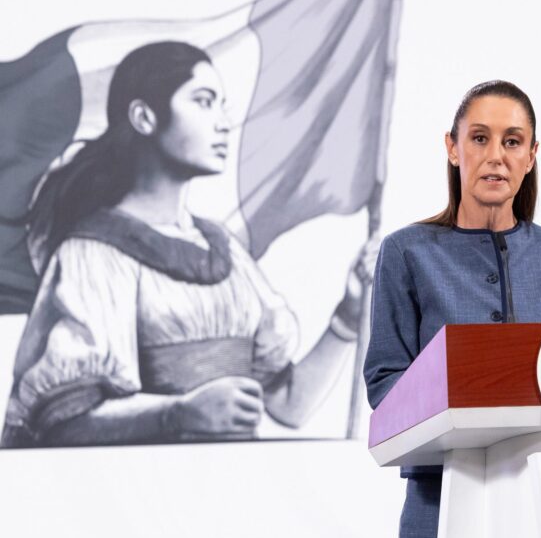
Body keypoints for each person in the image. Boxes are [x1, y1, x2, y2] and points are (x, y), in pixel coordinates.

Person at [1, 41, 368, 447]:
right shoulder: (93, 253)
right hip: (140, 497)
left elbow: (288, 404)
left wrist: (348, 317)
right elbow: (63, 424)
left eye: (221, 104)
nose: (224, 122)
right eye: (204, 101)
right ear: (144, 117)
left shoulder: (223, 249)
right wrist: (179, 413)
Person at [363, 80, 541, 538]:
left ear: (531, 156)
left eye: (512, 141)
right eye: (479, 138)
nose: (496, 156)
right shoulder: (407, 252)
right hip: (439, 493)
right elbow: (385, 381)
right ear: (452, 148)